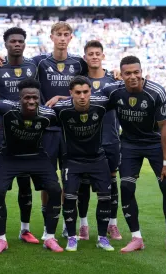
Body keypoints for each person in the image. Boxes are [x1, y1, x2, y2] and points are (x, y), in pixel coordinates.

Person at [102, 56, 166, 256]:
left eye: (136, 72)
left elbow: (164, 127)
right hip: (129, 144)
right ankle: (136, 238)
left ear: (141, 71)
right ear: (121, 75)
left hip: (155, 143)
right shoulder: (114, 91)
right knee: (127, 187)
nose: (133, 77)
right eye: (127, 73)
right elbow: (90, 97)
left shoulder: (156, 92)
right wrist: (62, 98)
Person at [0, 27, 40, 245]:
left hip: (27, 133)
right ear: (6, 44)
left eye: (21, 41)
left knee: (25, 183)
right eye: (13, 41)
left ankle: (25, 229)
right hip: (0, 133)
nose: (17, 44)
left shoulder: (32, 67)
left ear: (25, 43)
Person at [0, 78, 63, 254]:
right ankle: (1, 238)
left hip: (36, 156)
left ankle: (49, 237)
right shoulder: (7, 108)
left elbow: (79, 101)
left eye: (35, 98)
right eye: (27, 97)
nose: (31, 101)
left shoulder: (48, 114)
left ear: (39, 98)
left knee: (55, 190)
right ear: (19, 98)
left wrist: (60, 96)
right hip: (10, 157)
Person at [50, 76, 115, 252]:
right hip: (72, 160)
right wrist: (58, 98)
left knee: (105, 198)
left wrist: (117, 74)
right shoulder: (61, 109)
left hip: (97, 158)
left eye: (85, 92)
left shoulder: (101, 104)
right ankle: (72, 237)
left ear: (90, 92)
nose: (82, 96)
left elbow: (119, 93)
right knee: (70, 198)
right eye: (77, 92)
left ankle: (102, 238)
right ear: (71, 93)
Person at [76, 40, 122, 241]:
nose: (94, 56)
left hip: (110, 140)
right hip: (86, 141)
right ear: (85, 57)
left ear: (103, 56)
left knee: (111, 183)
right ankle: (83, 225)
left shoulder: (115, 81)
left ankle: (113, 224)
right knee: (83, 185)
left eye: (97, 53)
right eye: (90, 54)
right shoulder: (79, 83)